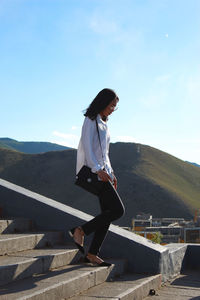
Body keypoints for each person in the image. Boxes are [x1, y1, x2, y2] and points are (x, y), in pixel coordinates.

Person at [69, 88, 125, 266]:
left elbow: (104, 153)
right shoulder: (90, 120)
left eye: (115, 107)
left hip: (102, 172)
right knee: (118, 210)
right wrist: (97, 168)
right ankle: (81, 230)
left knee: (107, 214)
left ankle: (92, 254)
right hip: (91, 171)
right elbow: (87, 147)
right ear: (103, 102)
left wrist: (111, 172)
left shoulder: (103, 123)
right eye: (111, 105)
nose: (112, 110)